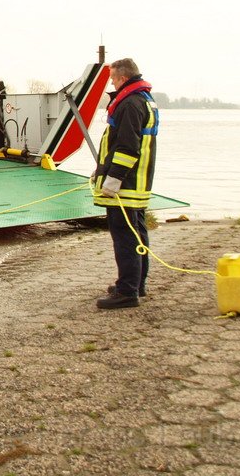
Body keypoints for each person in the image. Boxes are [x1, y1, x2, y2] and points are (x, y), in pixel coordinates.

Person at [93, 58, 159, 310]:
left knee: (124, 237)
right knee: (137, 232)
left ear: (121, 78)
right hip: (138, 181)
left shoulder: (130, 104)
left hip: (126, 184)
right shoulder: (145, 100)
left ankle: (127, 291)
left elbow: (127, 147)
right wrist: (101, 170)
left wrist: (113, 178)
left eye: (112, 79)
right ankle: (136, 283)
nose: (111, 82)